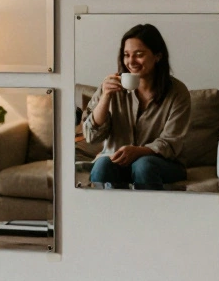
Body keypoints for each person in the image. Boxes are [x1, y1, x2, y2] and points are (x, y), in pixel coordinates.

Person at [81, 24, 192, 189]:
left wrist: (139, 151)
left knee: (143, 165)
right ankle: (104, 215)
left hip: (162, 164)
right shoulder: (111, 85)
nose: (131, 62)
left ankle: (149, 214)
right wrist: (105, 97)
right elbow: (91, 136)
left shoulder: (177, 92)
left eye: (139, 54)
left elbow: (171, 142)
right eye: (126, 55)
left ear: (158, 56)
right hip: (116, 160)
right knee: (102, 165)